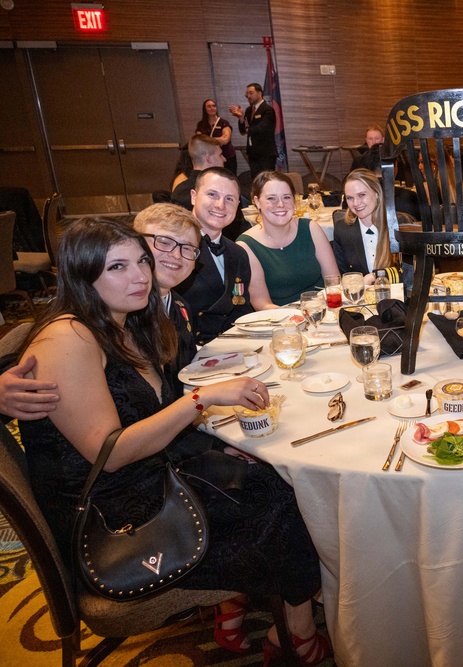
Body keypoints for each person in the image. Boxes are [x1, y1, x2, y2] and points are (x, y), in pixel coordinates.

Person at [18, 219, 332, 663]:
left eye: (141, 262)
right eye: (117, 267)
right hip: (118, 525)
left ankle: (242, 614)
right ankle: (296, 637)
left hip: (149, 482)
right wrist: (203, 400)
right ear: (82, 274)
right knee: (288, 506)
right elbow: (111, 453)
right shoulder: (69, 336)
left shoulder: (123, 324)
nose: (140, 276)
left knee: (278, 481)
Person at [175, 167, 255, 344]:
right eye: (212, 194)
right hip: (188, 353)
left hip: (232, 348)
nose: (220, 205)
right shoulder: (175, 249)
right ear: (194, 197)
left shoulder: (238, 253)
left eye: (229, 199)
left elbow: (241, 309)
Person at [237, 171, 340, 307]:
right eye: (271, 198)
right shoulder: (246, 245)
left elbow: (334, 283)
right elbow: (262, 304)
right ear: (257, 202)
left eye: (286, 197)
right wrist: (296, 317)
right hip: (280, 321)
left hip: (324, 312)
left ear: (294, 200)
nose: (280, 204)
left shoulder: (311, 228)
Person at [132, 203, 203, 396]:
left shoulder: (180, 306)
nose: (176, 255)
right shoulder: (123, 314)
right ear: (135, 244)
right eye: (164, 242)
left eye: (187, 248)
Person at [333, 168, 404, 284]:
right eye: (350, 198)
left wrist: (373, 277)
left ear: (376, 194)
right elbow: (343, 276)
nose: (356, 203)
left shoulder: (396, 225)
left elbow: (410, 274)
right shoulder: (342, 230)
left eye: (361, 195)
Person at [229, 83, 277, 178]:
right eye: (247, 94)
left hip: (265, 153)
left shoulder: (268, 110)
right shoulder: (248, 110)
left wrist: (248, 128)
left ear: (259, 93)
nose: (248, 96)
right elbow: (242, 131)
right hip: (252, 153)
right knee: (255, 181)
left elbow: (261, 129)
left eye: (251, 93)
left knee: (266, 181)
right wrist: (241, 118)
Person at [170, 134, 226, 209]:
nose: (224, 159)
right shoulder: (222, 189)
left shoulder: (179, 191)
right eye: (220, 155)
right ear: (208, 158)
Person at [196, 98, 238, 175]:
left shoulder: (223, 123)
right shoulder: (201, 124)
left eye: (214, 106)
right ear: (205, 109)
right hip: (210, 159)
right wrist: (218, 140)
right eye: (209, 106)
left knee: (230, 178)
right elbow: (199, 141)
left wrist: (207, 140)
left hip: (227, 157)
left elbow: (225, 139)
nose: (212, 108)